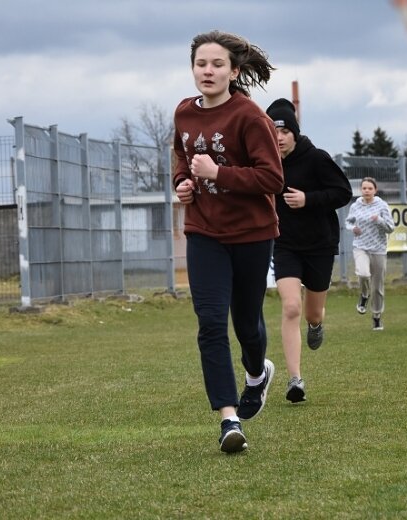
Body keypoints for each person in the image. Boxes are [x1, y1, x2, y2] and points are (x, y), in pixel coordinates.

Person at [173, 30, 284, 453]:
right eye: (202, 64)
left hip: (252, 234)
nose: (208, 71)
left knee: (246, 323)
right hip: (204, 233)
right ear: (193, 69)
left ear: (234, 71)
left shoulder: (249, 117)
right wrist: (183, 181)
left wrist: (217, 174)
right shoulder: (184, 113)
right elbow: (182, 158)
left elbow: (273, 179)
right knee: (211, 323)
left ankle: (257, 373)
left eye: (217, 64)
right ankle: (229, 419)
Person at [266, 98, 353, 404]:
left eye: (284, 131)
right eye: (273, 131)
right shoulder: (264, 162)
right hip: (284, 244)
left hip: (319, 244)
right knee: (291, 307)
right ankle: (295, 380)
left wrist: (308, 199)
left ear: (294, 133)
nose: (278, 137)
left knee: (312, 312)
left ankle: (316, 324)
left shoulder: (316, 158)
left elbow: (343, 192)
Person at [345, 177, 394, 330]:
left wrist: (379, 220)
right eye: (364, 188)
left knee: (377, 287)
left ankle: (377, 317)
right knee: (363, 274)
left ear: (375, 190)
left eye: (369, 188)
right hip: (360, 246)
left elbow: (390, 227)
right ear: (361, 190)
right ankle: (364, 296)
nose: (366, 191)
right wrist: (352, 228)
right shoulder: (356, 205)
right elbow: (349, 221)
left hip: (378, 249)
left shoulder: (382, 205)